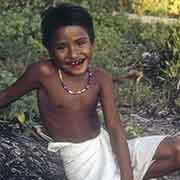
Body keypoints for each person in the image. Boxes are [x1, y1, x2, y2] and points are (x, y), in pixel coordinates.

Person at [0, 3, 180, 180]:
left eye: (80, 43)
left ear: (92, 41)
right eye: (62, 47)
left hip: (106, 144)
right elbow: (6, 96)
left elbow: (115, 128)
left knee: (177, 149)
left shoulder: (101, 78)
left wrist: (127, 176)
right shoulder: (43, 73)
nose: (73, 53)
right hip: (79, 160)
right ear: (49, 49)